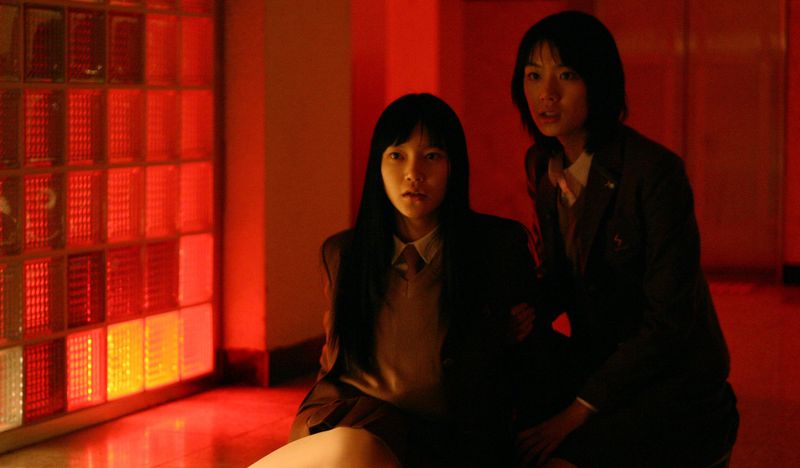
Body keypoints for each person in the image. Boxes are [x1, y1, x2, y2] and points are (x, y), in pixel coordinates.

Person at [252, 93, 538, 468]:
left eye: (431, 156)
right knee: (350, 446)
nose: (413, 173)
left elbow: (520, 359)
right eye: (397, 155)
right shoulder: (344, 253)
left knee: (354, 450)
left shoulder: (494, 246)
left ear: (454, 165)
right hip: (351, 414)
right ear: (378, 164)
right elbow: (335, 359)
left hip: (441, 436)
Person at [509, 11, 739, 468]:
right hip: (602, 361)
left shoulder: (653, 173)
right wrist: (524, 312)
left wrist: (576, 412)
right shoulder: (541, 162)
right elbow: (562, 274)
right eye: (533, 75)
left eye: (566, 75)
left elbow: (668, 323)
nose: (546, 94)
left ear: (598, 83)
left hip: (673, 381)